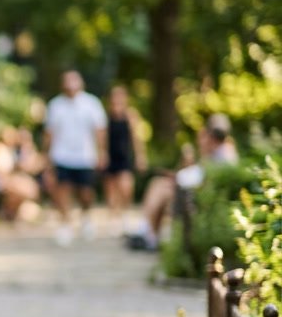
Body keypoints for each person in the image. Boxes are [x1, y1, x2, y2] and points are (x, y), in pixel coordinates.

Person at [126, 113, 238, 251]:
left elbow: (206, 178)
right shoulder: (217, 150)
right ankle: (148, 232)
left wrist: (203, 151)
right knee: (158, 184)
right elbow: (200, 173)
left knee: (162, 189)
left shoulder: (225, 154)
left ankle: (147, 234)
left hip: (199, 197)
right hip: (194, 191)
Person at [44, 70, 107, 245]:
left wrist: (102, 152)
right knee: (62, 190)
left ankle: (86, 217)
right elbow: (49, 133)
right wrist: (46, 156)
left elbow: (99, 130)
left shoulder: (91, 103)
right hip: (61, 155)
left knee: (86, 192)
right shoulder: (55, 105)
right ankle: (65, 224)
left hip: (85, 156)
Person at [101, 86, 147, 224]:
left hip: (124, 156)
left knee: (126, 188)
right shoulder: (106, 117)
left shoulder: (130, 116)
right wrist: (101, 153)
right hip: (110, 156)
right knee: (111, 190)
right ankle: (114, 217)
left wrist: (140, 156)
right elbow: (102, 138)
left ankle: (125, 213)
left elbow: (136, 139)